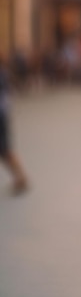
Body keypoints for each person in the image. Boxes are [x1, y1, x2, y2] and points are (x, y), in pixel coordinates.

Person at [0, 53, 28, 195]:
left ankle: (21, 177)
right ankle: (20, 177)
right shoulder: (4, 72)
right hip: (3, 113)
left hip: (1, 116)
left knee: (5, 150)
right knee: (5, 150)